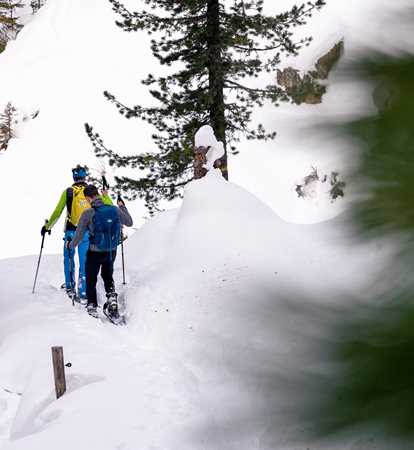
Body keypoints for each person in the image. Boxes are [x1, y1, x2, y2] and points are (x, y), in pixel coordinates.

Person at [41, 165, 113, 302]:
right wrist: (105, 195)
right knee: (85, 262)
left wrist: (47, 226)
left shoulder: (68, 192)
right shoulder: (92, 192)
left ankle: (70, 287)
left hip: (71, 231)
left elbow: (57, 212)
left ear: (74, 177)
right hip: (88, 232)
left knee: (68, 259)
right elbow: (109, 207)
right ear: (85, 177)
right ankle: (84, 291)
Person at [70, 184, 133, 318]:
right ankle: (111, 299)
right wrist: (122, 206)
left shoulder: (88, 213)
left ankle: (92, 305)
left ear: (88, 198)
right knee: (107, 276)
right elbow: (129, 222)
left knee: (91, 278)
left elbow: (79, 235)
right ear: (98, 194)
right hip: (111, 250)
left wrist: (70, 245)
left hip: (95, 252)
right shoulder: (114, 209)